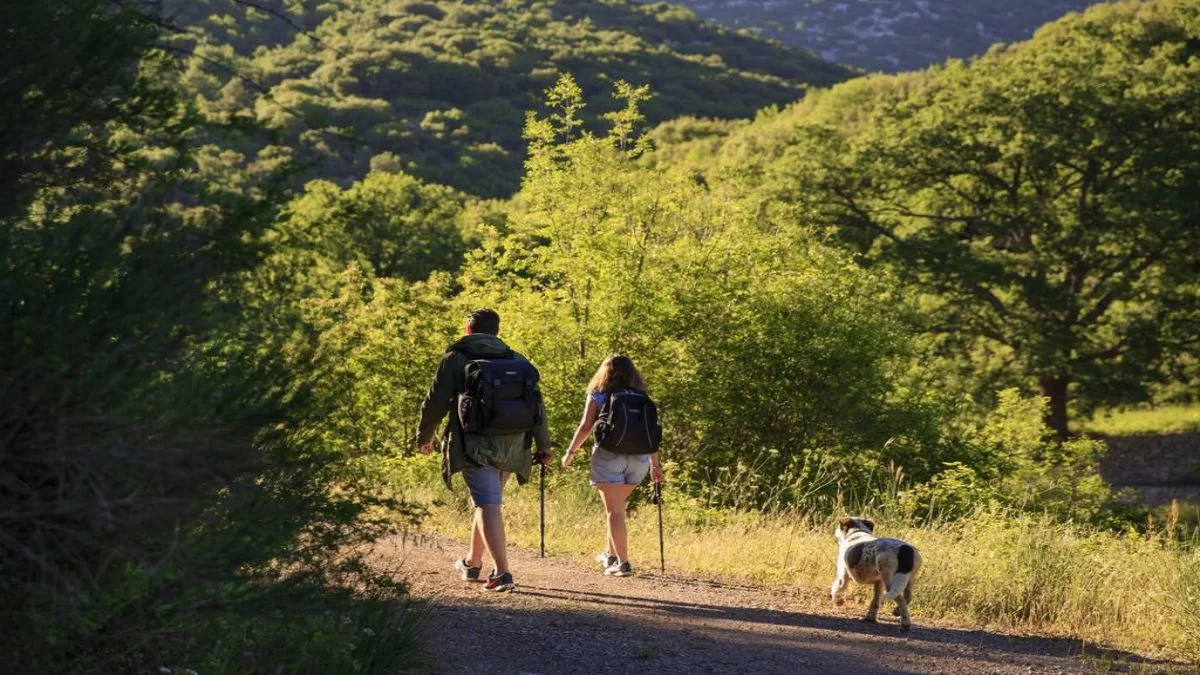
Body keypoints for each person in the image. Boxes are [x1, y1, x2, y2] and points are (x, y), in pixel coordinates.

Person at [417, 308, 551, 592]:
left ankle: (503, 572)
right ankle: (472, 561)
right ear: (497, 332)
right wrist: (544, 445)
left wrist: (424, 437)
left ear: (468, 330)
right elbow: (538, 407)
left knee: (487, 504)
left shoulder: (456, 358)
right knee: (488, 502)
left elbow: (435, 402)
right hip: (514, 444)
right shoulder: (517, 359)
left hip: (474, 444)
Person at [561, 354, 664, 577]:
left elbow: (586, 426)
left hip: (609, 457)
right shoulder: (642, 396)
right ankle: (610, 554)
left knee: (614, 512)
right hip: (639, 460)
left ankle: (623, 563)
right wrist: (655, 465)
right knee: (617, 509)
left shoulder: (599, 394)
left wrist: (570, 453)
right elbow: (651, 433)